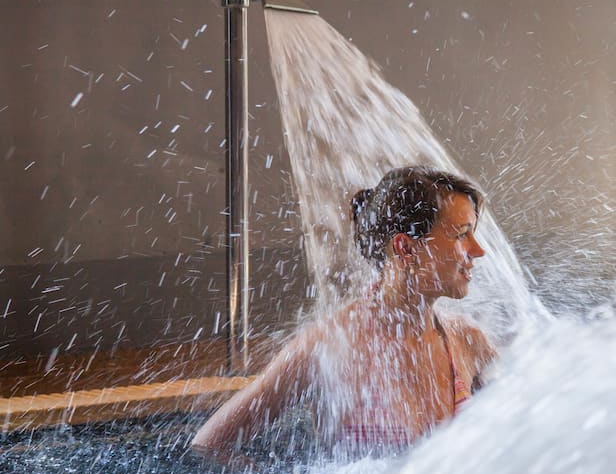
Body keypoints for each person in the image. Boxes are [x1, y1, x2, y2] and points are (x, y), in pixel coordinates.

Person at [192, 166, 496, 457]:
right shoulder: (326, 348)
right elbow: (209, 445)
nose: (478, 250)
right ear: (405, 248)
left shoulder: (467, 340)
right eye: (461, 234)